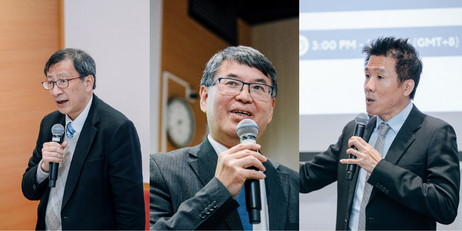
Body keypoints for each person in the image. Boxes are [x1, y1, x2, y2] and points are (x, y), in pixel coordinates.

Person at [300, 37, 460, 230]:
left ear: (407, 87)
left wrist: (379, 168)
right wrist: (262, 165)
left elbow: (445, 206)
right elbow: (307, 177)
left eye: (380, 77)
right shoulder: (355, 130)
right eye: (367, 75)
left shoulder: (435, 133)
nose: (368, 86)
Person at [150, 45, 299, 230]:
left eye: (259, 87)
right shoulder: (161, 170)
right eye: (231, 83)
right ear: (204, 97)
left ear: (271, 109)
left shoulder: (293, 183)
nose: (245, 96)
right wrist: (219, 190)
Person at [21, 48, 145, 230]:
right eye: (50, 83)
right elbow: (28, 190)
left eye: (63, 81)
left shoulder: (117, 129)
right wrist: (44, 167)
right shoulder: (50, 124)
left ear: (88, 82)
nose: (55, 91)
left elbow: (130, 213)